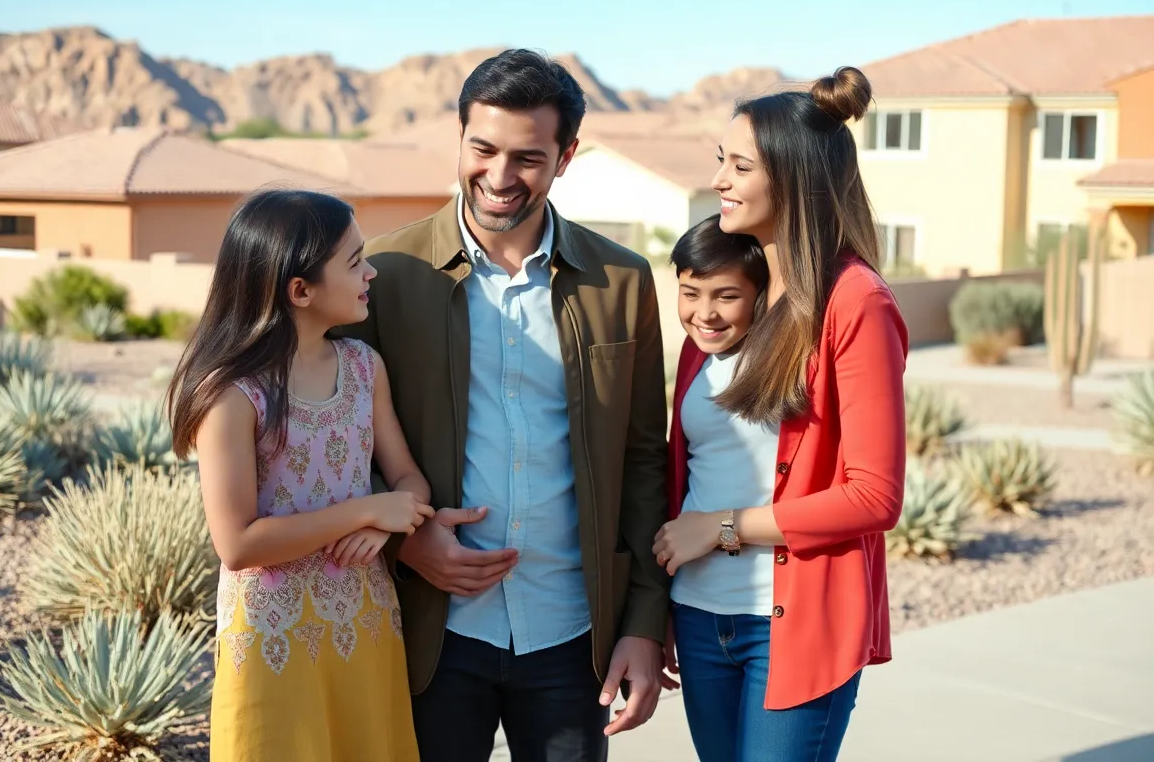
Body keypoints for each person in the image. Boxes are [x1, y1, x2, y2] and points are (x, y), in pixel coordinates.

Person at [330, 48, 671, 762]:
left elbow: (643, 461)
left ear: (565, 156)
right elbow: (339, 440)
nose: (499, 176)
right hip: (433, 633)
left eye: (528, 157)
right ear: (459, 138)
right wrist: (405, 541)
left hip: (572, 637)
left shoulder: (622, 281)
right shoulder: (387, 275)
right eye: (482, 148)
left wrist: (642, 622)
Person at [652, 66, 909, 762]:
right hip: (703, 619)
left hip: (791, 624)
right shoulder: (726, 310)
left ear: (793, 179)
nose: (721, 182)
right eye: (720, 163)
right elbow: (689, 468)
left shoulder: (855, 303)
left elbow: (874, 494)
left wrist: (724, 529)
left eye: (740, 166)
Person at [168, 189, 435, 762]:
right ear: (300, 290)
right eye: (354, 262)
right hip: (272, 643)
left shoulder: (365, 368)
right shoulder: (233, 396)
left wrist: (389, 525)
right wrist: (367, 510)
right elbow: (237, 544)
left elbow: (410, 481)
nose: (371, 273)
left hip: (365, 627)